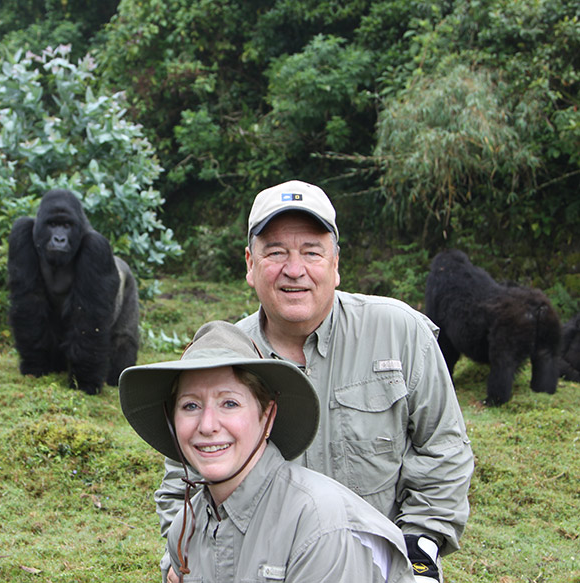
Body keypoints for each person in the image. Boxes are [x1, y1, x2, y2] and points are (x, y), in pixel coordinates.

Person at [155, 180, 474, 583]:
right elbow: (180, 481)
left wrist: (421, 547)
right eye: (275, 253)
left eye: (311, 252)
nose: (294, 269)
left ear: (335, 263)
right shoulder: (220, 355)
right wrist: (187, 558)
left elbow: (443, 447)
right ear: (250, 265)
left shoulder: (400, 333)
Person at [120, 320, 416, 583]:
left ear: (267, 415)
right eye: (191, 406)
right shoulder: (185, 527)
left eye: (230, 403)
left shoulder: (321, 526)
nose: (207, 425)